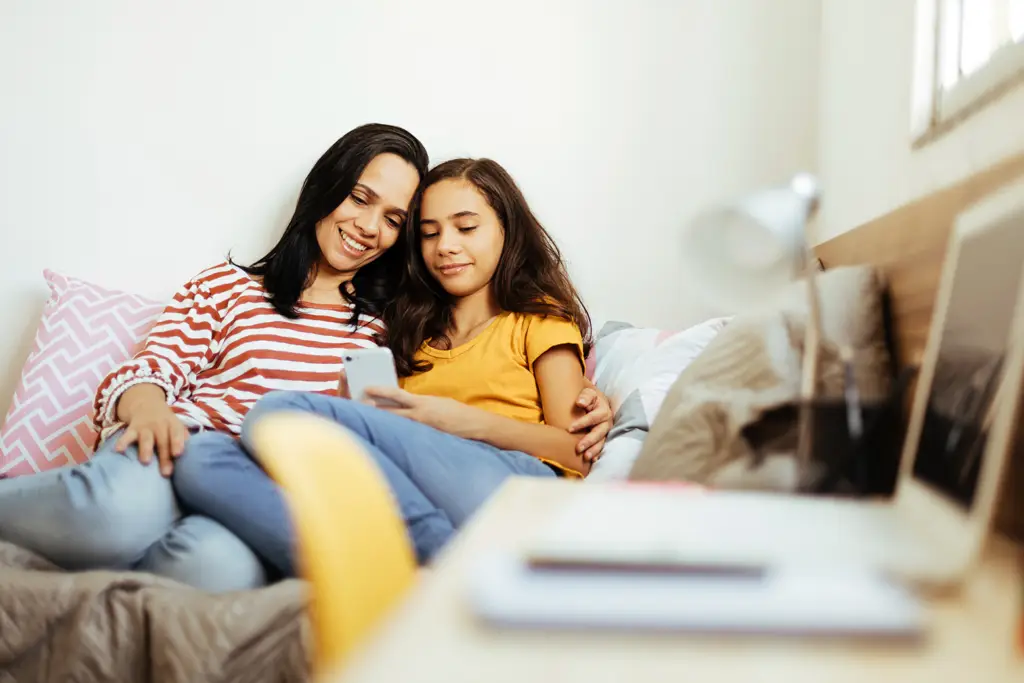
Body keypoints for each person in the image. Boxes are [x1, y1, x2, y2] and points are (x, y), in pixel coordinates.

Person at [0, 129, 611, 592]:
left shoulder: (383, 329)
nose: (370, 227)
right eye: (359, 198)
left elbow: (384, 430)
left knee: (218, 572)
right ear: (325, 189)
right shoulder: (228, 288)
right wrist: (149, 409)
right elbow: (148, 369)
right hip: (173, 448)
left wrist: (595, 400)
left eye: (394, 219)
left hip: (253, 491)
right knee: (117, 512)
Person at [172, 157, 599, 572]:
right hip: (419, 497)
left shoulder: (539, 318)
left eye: (466, 227)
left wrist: (458, 421)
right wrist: (350, 413)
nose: (446, 246)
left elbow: (577, 455)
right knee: (202, 455)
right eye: (429, 234)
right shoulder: (408, 329)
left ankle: (419, 560)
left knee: (276, 413)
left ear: (508, 230)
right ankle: (388, 565)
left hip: (510, 487)